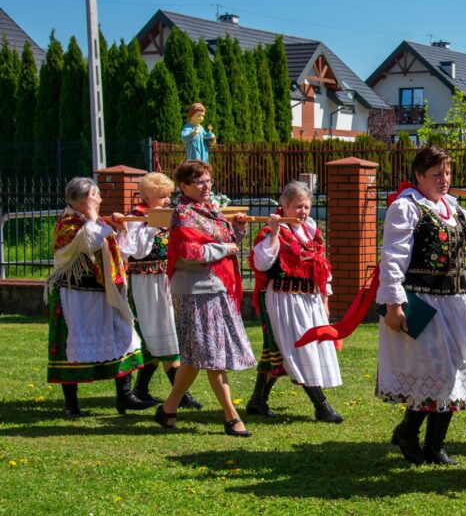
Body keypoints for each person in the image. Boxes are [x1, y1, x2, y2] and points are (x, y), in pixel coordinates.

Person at [377, 146, 466, 465]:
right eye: (437, 174)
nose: (444, 179)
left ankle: (435, 445)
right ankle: (409, 433)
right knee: (434, 369)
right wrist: (393, 304)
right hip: (420, 300)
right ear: (419, 175)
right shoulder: (406, 206)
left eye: (448, 173)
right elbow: (393, 257)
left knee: (456, 369)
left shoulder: (454, 208)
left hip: (455, 301)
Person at [154, 160, 255, 437]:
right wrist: (225, 248)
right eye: (199, 181)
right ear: (183, 186)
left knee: (194, 357)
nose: (206, 186)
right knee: (212, 356)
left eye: (208, 180)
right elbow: (190, 252)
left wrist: (238, 230)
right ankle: (231, 417)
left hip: (215, 288)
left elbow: (226, 241)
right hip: (194, 291)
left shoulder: (211, 210)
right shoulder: (182, 214)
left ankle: (168, 409)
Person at [45, 177, 154, 416]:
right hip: (74, 294)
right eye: (96, 195)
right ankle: (71, 405)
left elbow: (121, 253)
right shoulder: (68, 223)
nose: (101, 199)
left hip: (103, 292)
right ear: (85, 199)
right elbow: (92, 241)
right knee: (71, 346)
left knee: (122, 335)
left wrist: (121, 230)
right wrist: (94, 215)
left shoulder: (93, 222)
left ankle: (125, 396)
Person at [247, 181, 343, 423]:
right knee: (300, 348)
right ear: (285, 206)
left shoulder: (311, 232)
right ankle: (321, 406)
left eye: (307, 206)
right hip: (284, 298)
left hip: (310, 300)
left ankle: (257, 400)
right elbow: (261, 263)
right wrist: (274, 235)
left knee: (282, 350)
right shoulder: (273, 230)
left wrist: (325, 299)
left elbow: (322, 268)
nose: (303, 211)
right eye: (298, 206)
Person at [115, 172, 202, 410]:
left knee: (164, 330)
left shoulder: (164, 216)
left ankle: (142, 389)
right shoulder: (135, 217)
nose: (167, 200)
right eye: (162, 196)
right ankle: (179, 394)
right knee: (156, 331)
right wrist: (153, 227)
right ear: (147, 197)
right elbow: (137, 252)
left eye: (168, 195)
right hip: (145, 281)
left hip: (165, 278)